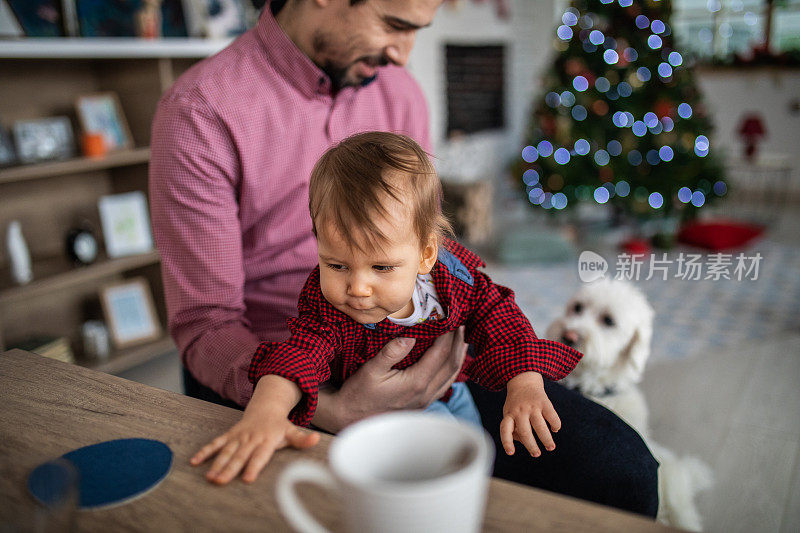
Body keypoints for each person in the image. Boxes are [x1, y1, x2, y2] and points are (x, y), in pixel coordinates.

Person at [150, 0, 658, 515]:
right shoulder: (200, 110)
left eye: (418, 31)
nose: (403, 53)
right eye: (394, 25)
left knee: (622, 470)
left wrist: (508, 372)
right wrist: (325, 409)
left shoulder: (399, 92)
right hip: (290, 369)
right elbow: (208, 324)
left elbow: (432, 250)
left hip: (437, 365)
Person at [189, 132, 585, 484]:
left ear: (426, 254)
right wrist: (266, 413)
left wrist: (527, 384)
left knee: (480, 453)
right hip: (375, 410)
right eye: (337, 265)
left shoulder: (456, 280)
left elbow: (501, 317)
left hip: (452, 388)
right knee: (447, 467)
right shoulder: (328, 309)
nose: (357, 288)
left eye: (381, 267)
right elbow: (297, 357)